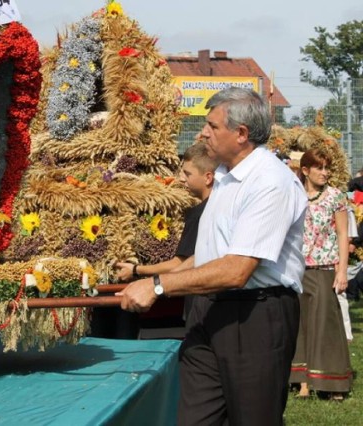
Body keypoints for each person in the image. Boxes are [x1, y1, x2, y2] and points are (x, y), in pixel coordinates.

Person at [117, 87, 306, 425]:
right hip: (208, 313)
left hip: (255, 317)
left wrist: (159, 287)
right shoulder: (222, 178)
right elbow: (209, 256)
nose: (202, 132)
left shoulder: (270, 182)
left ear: (241, 134)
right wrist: (149, 279)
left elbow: (236, 270)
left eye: (211, 126)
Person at [115, 143, 217, 318]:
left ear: (208, 178)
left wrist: (137, 271)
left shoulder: (201, 214)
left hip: (200, 306)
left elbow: (180, 263)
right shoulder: (216, 208)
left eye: (187, 173)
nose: (181, 178)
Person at [290, 148, 352, 400]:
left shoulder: (336, 197)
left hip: (324, 268)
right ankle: (302, 381)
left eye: (327, 168)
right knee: (299, 325)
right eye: (320, 168)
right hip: (296, 269)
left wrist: (342, 271)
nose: (325, 173)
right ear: (305, 170)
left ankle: (333, 382)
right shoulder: (293, 195)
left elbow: (342, 234)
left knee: (325, 325)